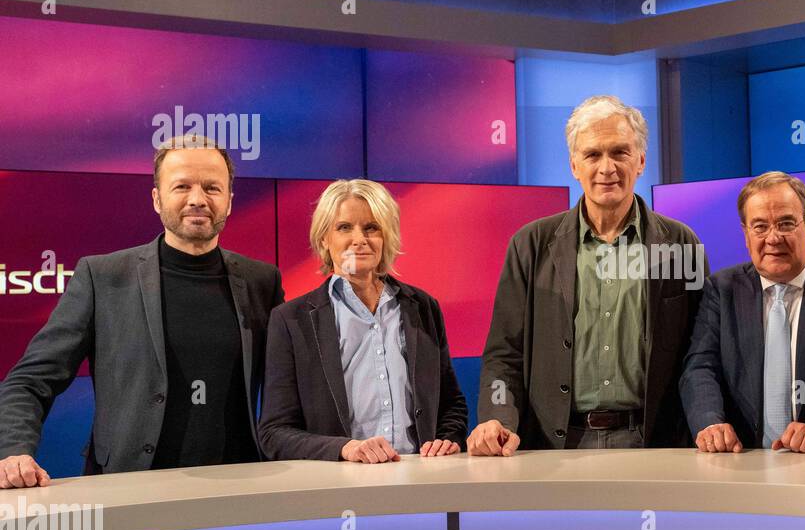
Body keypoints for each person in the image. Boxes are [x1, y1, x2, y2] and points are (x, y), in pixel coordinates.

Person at [0, 135, 284, 487]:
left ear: (228, 201)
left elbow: (293, 386)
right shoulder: (101, 277)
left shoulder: (263, 281)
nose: (198, 199)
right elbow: (30, 380)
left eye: (212, 188)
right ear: (156, 198)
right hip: (128, 489)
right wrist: (13, 450)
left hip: (239, 487)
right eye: (182, 186)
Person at [470, 95, 706, 454]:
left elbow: (701, 351)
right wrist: (498, 417)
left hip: (655, 443)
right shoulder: (530, 245)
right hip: (555, 446)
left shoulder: (680, 242)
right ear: (574, 165)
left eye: (620, 153)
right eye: (593, 155)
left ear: (641, 161)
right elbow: (505, 353)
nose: (606, 167)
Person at [258, 179, 467, 462]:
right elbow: (274, 433)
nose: (359, 239)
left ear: (386, 237)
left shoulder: (423, 307)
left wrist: (447, 441)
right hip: (337, 486)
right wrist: (344, 449)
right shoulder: (290, 320)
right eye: (344, 227)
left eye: (371, 228)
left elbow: (451, 405)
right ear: (324, 239)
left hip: (420, 480)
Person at [680, 172, 805, 452]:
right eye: (760, 227)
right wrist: (710, 423)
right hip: (742, 459)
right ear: (746, 234)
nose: (773, 238)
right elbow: (700, 367)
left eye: (786, 223)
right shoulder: (721, 289)